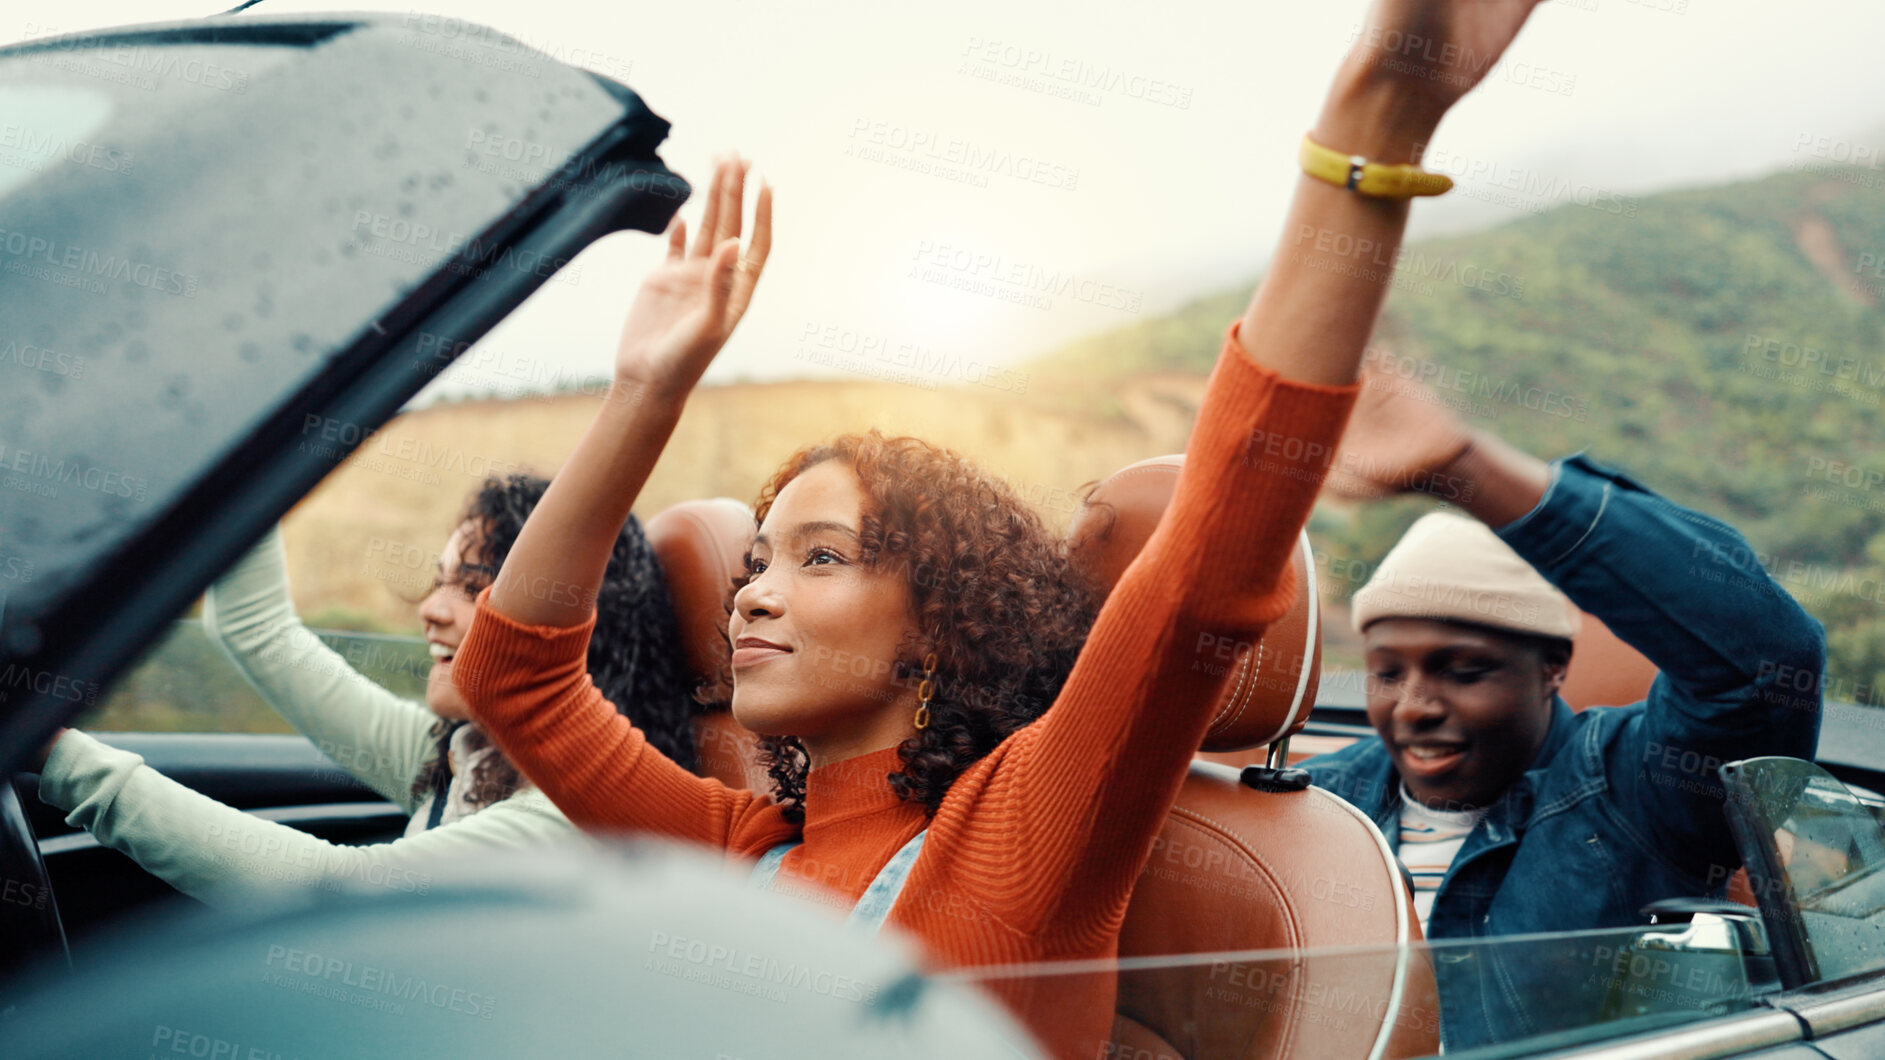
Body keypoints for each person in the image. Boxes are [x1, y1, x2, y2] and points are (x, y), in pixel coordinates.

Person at [448, 1, 1559, 1045]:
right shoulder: (736, 844)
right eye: (757, 559)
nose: (752, 590)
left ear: (936, 625)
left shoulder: (1025, 828)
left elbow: (1201, 578)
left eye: (820, 556)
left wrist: (1374, 123)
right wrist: (647, 388)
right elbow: (519, 678)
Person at [1304, 374, 1825, 1047]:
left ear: (1552, 668)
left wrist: (1471, 470)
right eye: (1385, 672)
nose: (1413, 706)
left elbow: (1760, 660)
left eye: (1462, 671)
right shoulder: (1317, 806)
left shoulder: (1639, 789)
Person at [32, 474, 697, 911]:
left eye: (472, 586)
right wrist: (245, 465)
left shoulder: (568, 812)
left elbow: (337, 893)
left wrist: (59, 754)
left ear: (571, 625)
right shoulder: (468, 752)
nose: (430, 610)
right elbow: (254, 627)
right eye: (437, 580)